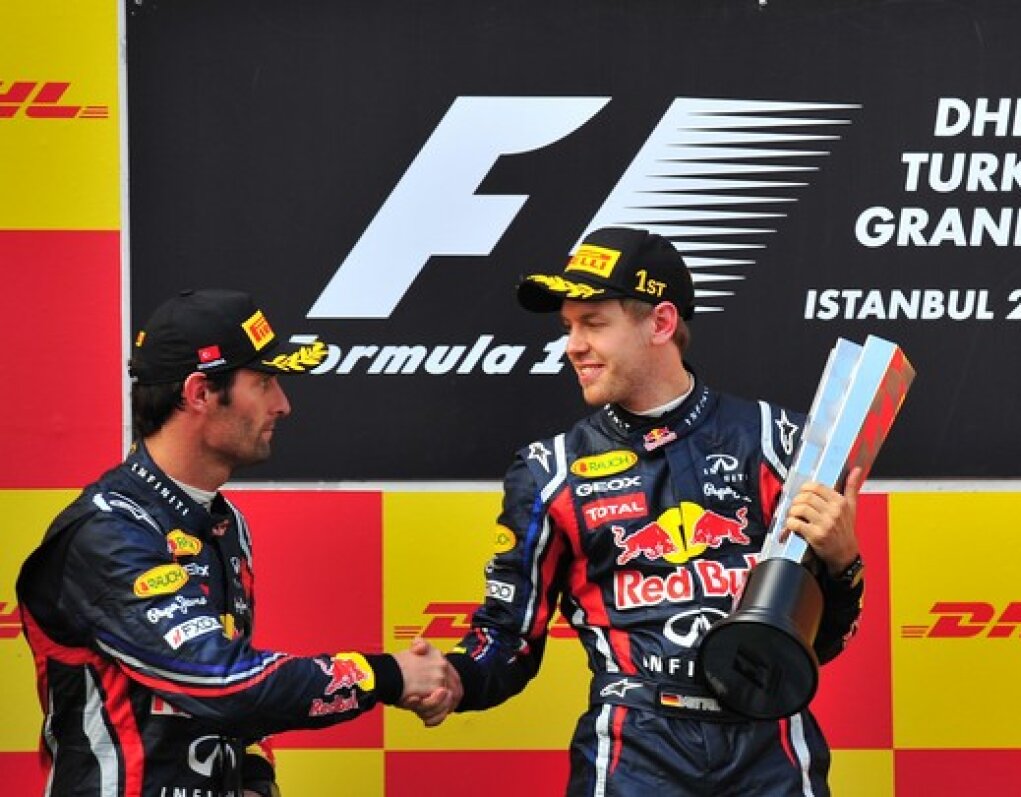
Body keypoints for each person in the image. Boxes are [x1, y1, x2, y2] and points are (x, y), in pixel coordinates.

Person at [421, 227, 865, 795]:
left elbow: (819, 643)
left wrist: (843, 561)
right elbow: (509, 639)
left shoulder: (782, 444)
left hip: (768, 744)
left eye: (593, 323)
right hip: (634, 751)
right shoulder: (549, 471)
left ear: (660, 323)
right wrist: (455, 678)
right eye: (568, 327)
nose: (572, 346)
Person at [17, 288, 456, 797]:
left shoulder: (224, 525)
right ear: (200, 393)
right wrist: (386, 675)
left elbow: (236, 704)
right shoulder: (109, 532)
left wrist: (255, 780)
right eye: (264, 383)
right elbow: (224, 683)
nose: (283, 405)